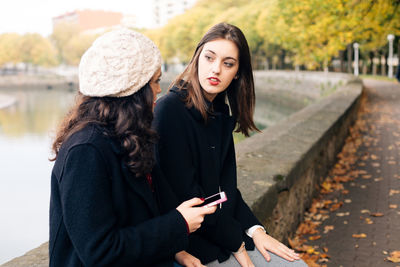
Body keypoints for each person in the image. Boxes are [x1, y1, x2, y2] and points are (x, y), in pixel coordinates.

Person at [49, 28, 216, 267]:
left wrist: (175, 249)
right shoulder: (85, 150)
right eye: (156, 81)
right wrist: (178, 224)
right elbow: (99, 252)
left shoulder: (125, 135)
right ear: (134, 89)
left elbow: (138, 218)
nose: (160, 89)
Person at [153, 23, 308, 267]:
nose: (216, 69)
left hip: (220, 233)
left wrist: (256, 230)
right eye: (209, 57)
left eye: (228, 63)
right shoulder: (169, 111)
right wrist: (236, 241)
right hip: (190, 244)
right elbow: (188, 197)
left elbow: (226, 189)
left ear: (237, 72)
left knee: (296, 264)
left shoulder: (220, 113)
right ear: (196, 59)